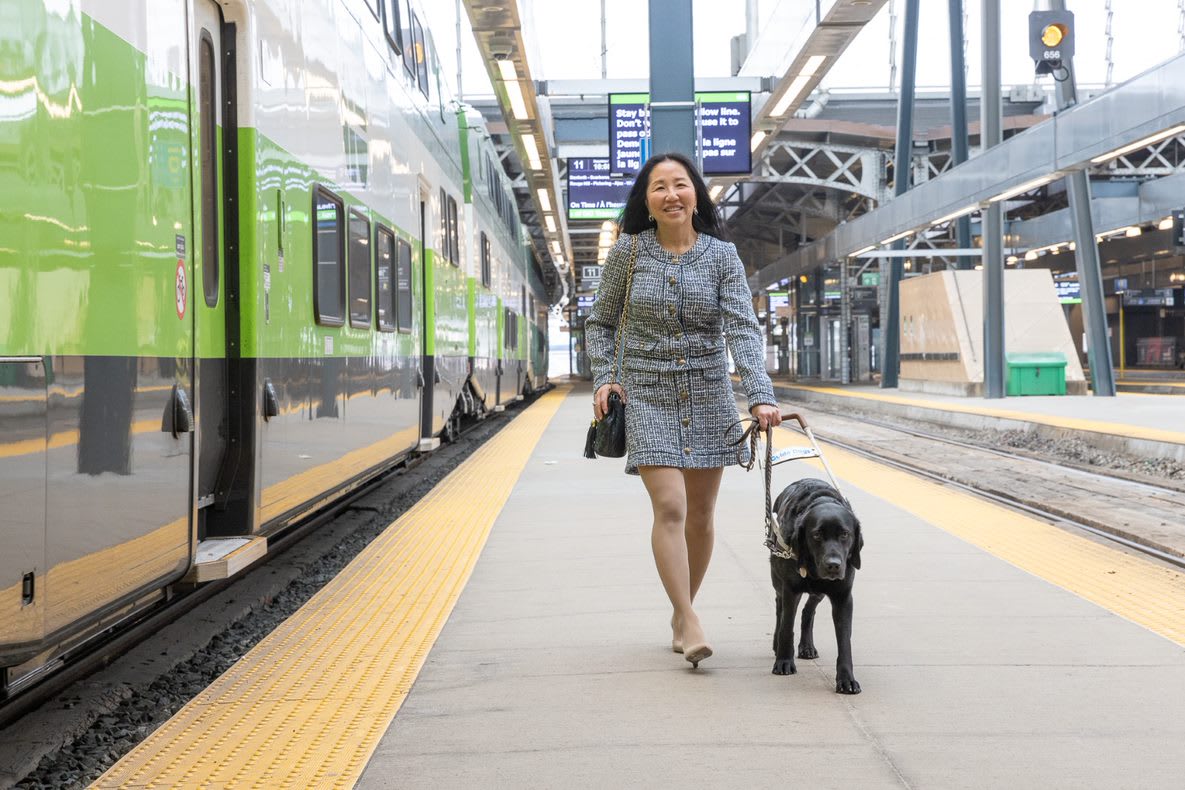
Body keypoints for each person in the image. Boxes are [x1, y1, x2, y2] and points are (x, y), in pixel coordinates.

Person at [585, 152, 782, 669]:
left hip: (708, 391)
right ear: (647, 203)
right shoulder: (628, 255)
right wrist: (606, 375)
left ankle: (680, 610)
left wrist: (760, 393)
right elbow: (600, 323)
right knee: (670, 506)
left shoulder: (722, 257)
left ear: (696, 195)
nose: (671, 195)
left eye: (680, 185)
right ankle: (690, 618)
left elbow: (741, 327)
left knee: (700, 513)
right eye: (658, 188)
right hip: (644, 392)